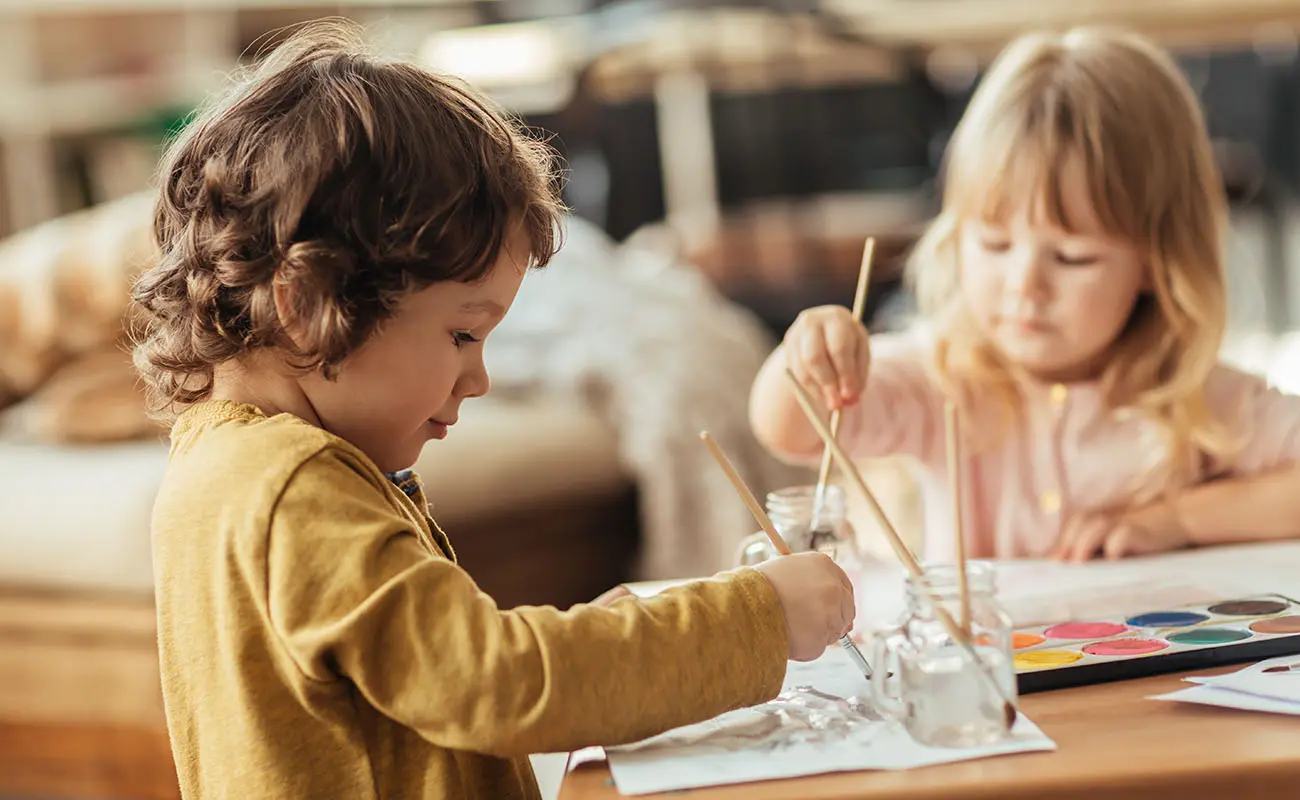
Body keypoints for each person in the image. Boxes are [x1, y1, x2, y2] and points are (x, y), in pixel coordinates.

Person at [132, 20, 855, 800]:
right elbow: (495, 684)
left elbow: (429, 675)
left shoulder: (223, 466)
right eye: (462, 334)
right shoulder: (292, 487)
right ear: (308, 303)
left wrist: (610, 642)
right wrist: (757, 621)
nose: (479, 378)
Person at [750, 27, 1300, 564]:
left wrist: (1179, 519)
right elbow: (789, 430)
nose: (1024, 286)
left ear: (1156, 262)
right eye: (994, 244)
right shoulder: (940, 376)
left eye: (1070, 257)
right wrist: (807, 356)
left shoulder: (1195, 398)